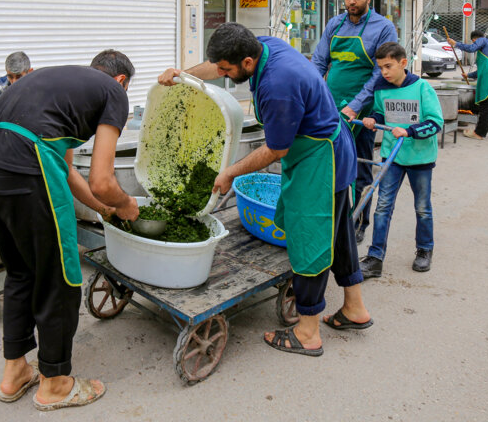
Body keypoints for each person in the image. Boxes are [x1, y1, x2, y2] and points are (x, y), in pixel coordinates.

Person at [158, 22, 372, 357]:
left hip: (320, 159)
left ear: (246, 62)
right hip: (324, 147)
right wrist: (181, 74)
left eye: (228, 70)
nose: (223, 76)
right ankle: (355, 309)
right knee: (339, 229)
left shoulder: (277, 85)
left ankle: (307, 331)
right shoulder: (259, 45)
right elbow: (215, 65)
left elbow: (275, 150)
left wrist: (229, 172)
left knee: (309, 239)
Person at [0, 50, 139, 411]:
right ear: (121, 80)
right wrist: (126, 206)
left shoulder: (60, 84)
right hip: (26, 168)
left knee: (21, 273)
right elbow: (102, 179)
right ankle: (57, 384)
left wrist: (103, 210)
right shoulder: (114, 93)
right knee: (59, 278)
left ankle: (15, 372)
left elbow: (68, 172)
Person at [312, 0, 398, 244]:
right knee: (326, 162)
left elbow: (379, 73)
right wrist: (314, 95)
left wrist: (355, 106)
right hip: (330, 105)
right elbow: (319, 62)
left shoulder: (383, 28)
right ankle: (330, 217)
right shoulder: (334, 24)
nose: (351, 2)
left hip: (362, 110)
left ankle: (360, 221)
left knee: (360, 166)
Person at [358, 42, 444, 277]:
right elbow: (380, 112)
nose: (384, 72)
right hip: (392, 156)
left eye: (388, 66)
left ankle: (425, 250)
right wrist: (372, 119)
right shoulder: (381, 88)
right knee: (383, 206)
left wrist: (409, 131)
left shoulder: (422, 87)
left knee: (422, 207)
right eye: (381, 67)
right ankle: (375, 257)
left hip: (420, 158)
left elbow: (436, 123)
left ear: (403, 63)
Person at [447, 30, 488, 141]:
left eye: (473, 42)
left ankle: (479, 133)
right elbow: (481, 70)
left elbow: (471, 49)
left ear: (474, 39)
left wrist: (455, 44)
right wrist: (468, 75)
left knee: (485, 106)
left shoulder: (482, 40)